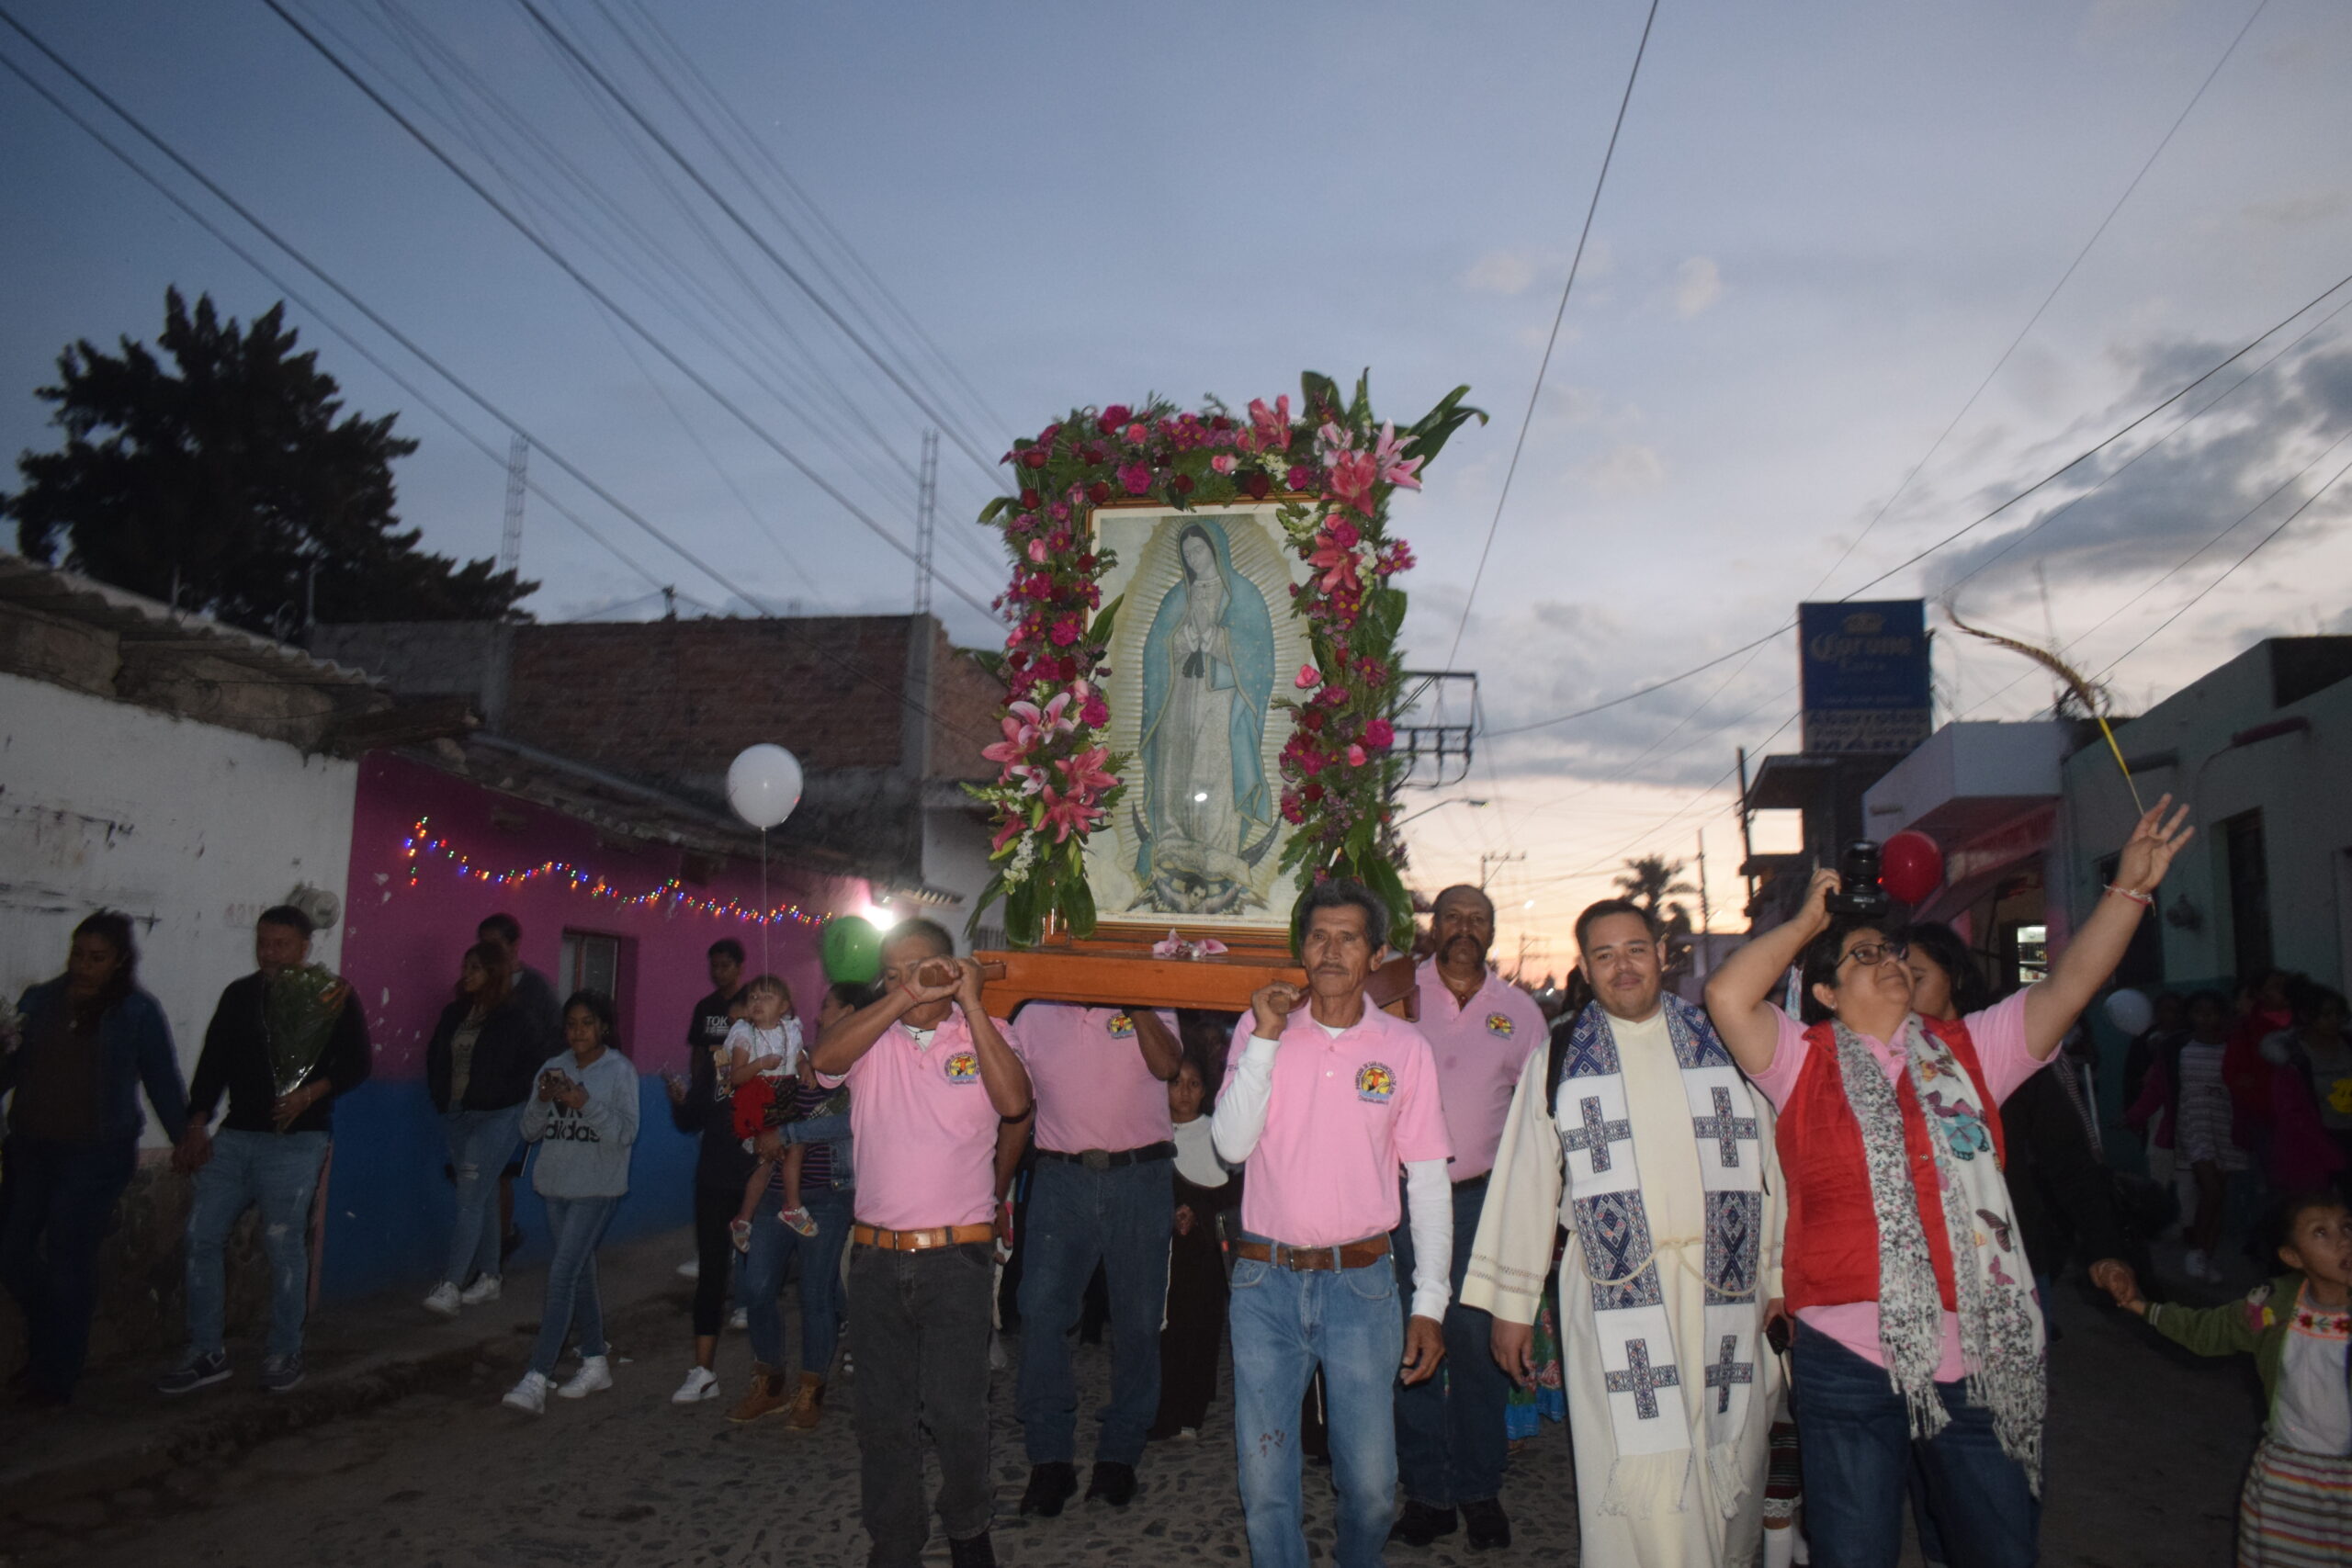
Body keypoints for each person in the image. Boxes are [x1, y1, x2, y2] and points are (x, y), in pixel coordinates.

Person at [1702, 797, 2193, 1568]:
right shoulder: (1802, 1060)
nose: (1890, 960)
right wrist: (1806, 924)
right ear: (1825, 992)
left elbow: (2067, 988)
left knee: (1998, 1548)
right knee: (1856, 1551)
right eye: (1863, 956)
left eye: (1893, 951)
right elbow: (1728, 996)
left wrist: (2128, 889)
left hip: (1978, 1354)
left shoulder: (1971, 1051)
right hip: (1847, 1354)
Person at [1467, 897, 1780, 1567]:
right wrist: (1513, 1308)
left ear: (1661, 953)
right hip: (1614, 1302)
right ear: (1584, 967)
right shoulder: (1558, 1056)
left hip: (1724, 1292)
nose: (1623, 966)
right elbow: (1526, 1180)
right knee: (1637, 1478)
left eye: (1635, 948)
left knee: (1730, 1464)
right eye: (1604, 954)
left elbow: (1774, 1167)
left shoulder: (1724, 1037)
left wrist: (1780, 1278)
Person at [1210, 877, 1453, 1568]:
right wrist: (1263, 1037)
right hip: (1265, 1282)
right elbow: (1228, 1146)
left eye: (1349, 936)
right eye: (1319, 935)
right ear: (1302, 948)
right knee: (1265, 1486)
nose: (1332, 948)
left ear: (1375, 953)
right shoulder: (1262, 1032)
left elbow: (1430, 1179)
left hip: (1363, 1285)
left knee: (1374, 1488)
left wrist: (1429, 1302)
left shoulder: (1405, 1048)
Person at [808, 920, 1032, 1568]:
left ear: (950, 963)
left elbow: (1015, 1102)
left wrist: (971, 1003)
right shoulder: (872, 1038)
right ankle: (895, 1540)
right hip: (876, 1258)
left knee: (958, 1411)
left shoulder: (988, 1034)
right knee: (882, 1417)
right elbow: (823, 1059)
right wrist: (901, 1000)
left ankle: (968, 1526)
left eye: (921, 965)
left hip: (956, 1259)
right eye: (893, 969)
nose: (908, 977)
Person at [1391, 884, 1547, 1551]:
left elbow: (1539, 1119)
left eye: (1476, 918)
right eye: (1451, 915)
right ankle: (1427, 1494)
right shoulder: (1398, 996)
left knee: (1480, 1349)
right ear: (1433, 925)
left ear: (1491, 931)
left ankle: (1479, 1490)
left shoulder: (1520, 1012)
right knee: (1412, 1348)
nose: (1463, 927)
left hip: (1483, 1201)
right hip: (1401, 1201)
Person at [160, 905, 370, 1397]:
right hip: (235, 1137)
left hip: (297, 1141)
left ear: (304, 947)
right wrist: (196, 1122)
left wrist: (308, 1095)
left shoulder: (332, 995)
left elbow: (358, 1064)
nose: (269, 953)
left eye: (281, 944)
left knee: (282, 1244)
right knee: (201, 1236)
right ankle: (206, 1350)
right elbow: (214, 1060)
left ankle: (284, 1348)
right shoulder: (240, 995)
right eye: (263, 943)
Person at [2097, 1192, 2352, 1565]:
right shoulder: (2272, 1306)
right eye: (2321, 1233)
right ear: (2292, 1258)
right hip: (2287, 1480)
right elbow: (2206, 1331)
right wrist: (2139, 1304)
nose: (2343, 1240)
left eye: (2347, 1227)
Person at [2, 912, 187, 1407]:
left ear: (120, 960)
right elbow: (10, 1071)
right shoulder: (39, 1001)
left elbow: (162, 1079)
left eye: (97, 958)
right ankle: (51, 1338)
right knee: (11, 1252)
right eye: (78, 955)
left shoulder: (136, 1012)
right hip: (30, 1148)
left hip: (95, 1154)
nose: (84, 966)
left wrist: (186, 1138)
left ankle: (56, 1375)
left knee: (68, 1255)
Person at [1012, 998, 1182, 1517]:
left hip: (1140, 1176)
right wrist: (996, 1189)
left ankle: (1119, 1456)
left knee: (1138, 1321)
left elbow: (1168, 1066)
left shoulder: (1152, 1001)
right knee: (1040, 1315)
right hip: (1061, 1178)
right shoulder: (1033, 1014)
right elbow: (1013, 1102)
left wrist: (1136, 1003)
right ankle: (1050, 1460)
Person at [729, 980, 859, 1428]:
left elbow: (852, 1123)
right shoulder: (795, 1052)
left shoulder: (865, 1065)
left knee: (816, 1295)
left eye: (828, 1005)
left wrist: (788, 1134)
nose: (819, 1014)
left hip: (827, 1196)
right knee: (757, 1288)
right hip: (774, 1194)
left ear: (852, 1012)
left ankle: (811, 1389)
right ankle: (769, 1381)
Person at [502, 989, 639, 1414]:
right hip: (556, 1186)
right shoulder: (552, 1067)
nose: (578, 1031)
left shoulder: (619, 1071)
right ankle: (596, 1359)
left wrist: (585, 1103)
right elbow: (528, 1131)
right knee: (578, 1275)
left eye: (587, 1023)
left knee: (562, 1275)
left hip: (596, 1189)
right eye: (572, 1024)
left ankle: (536, 1376)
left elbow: (625, 1133)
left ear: (603, 1027)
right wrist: (544, 1099)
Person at [422, 942, 540, 1316]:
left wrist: (498, 1097)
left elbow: (530, 1070)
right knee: (484, 1194)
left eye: (476, 967)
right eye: (465, 966)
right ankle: (490, 1276)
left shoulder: (516, 1019)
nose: (467, 974)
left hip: (497, 1117)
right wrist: (442, 1098)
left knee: (470, 1197)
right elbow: (436, 1057)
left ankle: (452, 1284)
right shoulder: (455, 1013)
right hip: (457, 1115)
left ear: (494, 972)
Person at [664, 938, 752, 1404]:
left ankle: (770, 1371)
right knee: (711, 1273)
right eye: (730, 1028)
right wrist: (681, 1099)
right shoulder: (715, 1071)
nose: (734, 1036)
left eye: (744, 1026)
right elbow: (688, 1119)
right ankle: (702, 1371)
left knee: (758, 1274)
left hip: (758, 1185)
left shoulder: (770, 1074)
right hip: (715, 1178)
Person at [1149, 1040, 1239, 1442]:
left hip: (1201, 1260)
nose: (1183, 1093)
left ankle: (1190, 1412)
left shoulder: (1217, 1135)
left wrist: (1195, 1213)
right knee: (1157, 1336)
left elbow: (1229, 1196)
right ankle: (1156, 1409)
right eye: (1175, 1083)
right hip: (1159, 1256)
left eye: (1193, 1084)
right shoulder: (1148, 1132)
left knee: (1198, 1333)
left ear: (1206, 1090)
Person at [477, 912, 558, 1260]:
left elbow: (553, 1043)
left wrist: (534, 1091)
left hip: (519, 1099)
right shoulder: (479, 985)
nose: (487, 953)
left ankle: (498, 1249)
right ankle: (487, 1249)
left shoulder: (535, 989)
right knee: (479, 1178)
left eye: (494, 946)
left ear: (513, 946)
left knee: (499, 1177)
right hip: (480, 1100)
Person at [723, 976, 813, 1246]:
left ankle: (743, 1220)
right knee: (785, 1149)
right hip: (759, 1099)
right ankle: (792, 1207)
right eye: (752, 997)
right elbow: (736, 1077)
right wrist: (760, 1063)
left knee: (773, 1159)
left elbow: (798, 1057)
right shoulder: (743, 1033)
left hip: (785, 1096)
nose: (758, 1002)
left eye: (767, 997)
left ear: (784, 1005)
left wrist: (805, 1067)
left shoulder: (791, 1030)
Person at [2256, 983, 2350, 1200]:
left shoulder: (2348, 1046)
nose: (2334, 1020)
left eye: (2338, 1014)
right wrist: (2327, 1148)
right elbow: (2291, 1113)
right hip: (2313, 1144)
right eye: (2326, 1015)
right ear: (2306, 1016)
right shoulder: (2292, 1058)